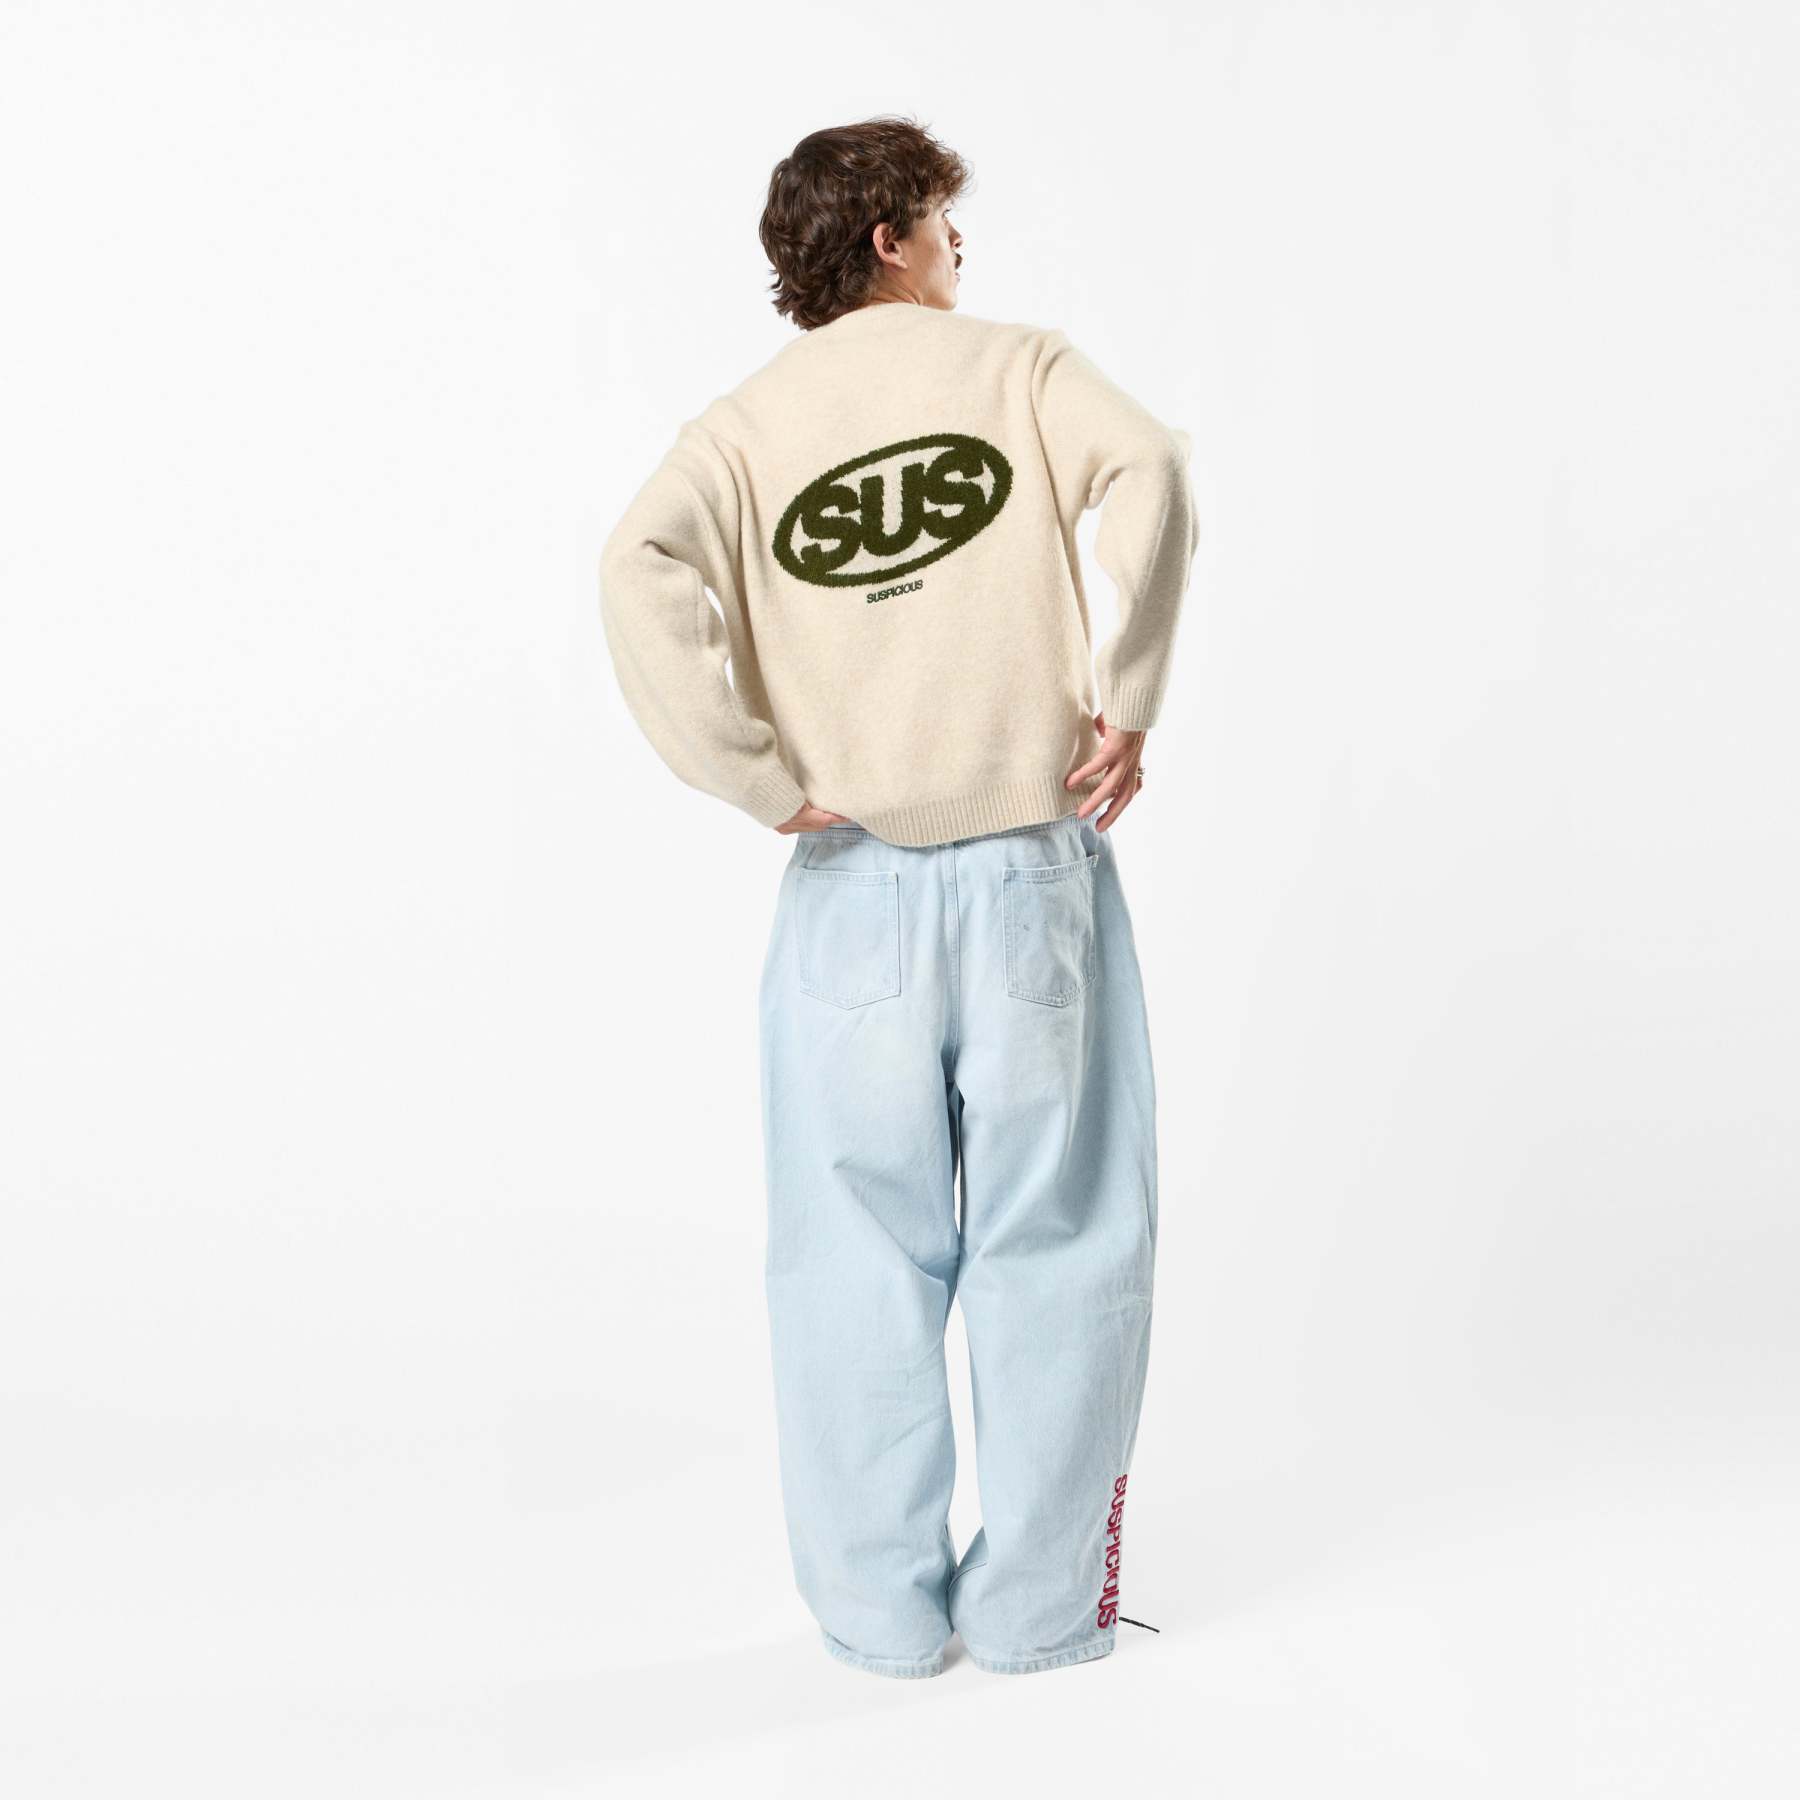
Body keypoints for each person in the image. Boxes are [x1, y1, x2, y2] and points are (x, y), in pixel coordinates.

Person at [598, 115, 1200, 1678]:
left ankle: (876, 1620)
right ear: (889, 239)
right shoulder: (1018, 369)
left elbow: (634, 566)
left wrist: (753, 774)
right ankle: (1039, 1612)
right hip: (1027, 868)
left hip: (849, 884)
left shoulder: (741, 432)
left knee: (849, 1261)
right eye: (941, 222)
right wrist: (1128, 694)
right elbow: (1151, 467)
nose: (956, 249)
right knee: (1060, 1241)